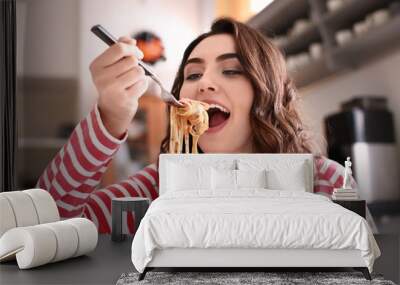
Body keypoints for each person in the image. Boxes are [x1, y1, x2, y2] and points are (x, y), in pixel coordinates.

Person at [36, 18, 355, 234]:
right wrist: (109, 116)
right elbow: (46, 223)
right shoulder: (156, 188)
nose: (204, 84)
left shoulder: (324, 181)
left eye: (231, 70)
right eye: (192, 75)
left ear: (269, 92)